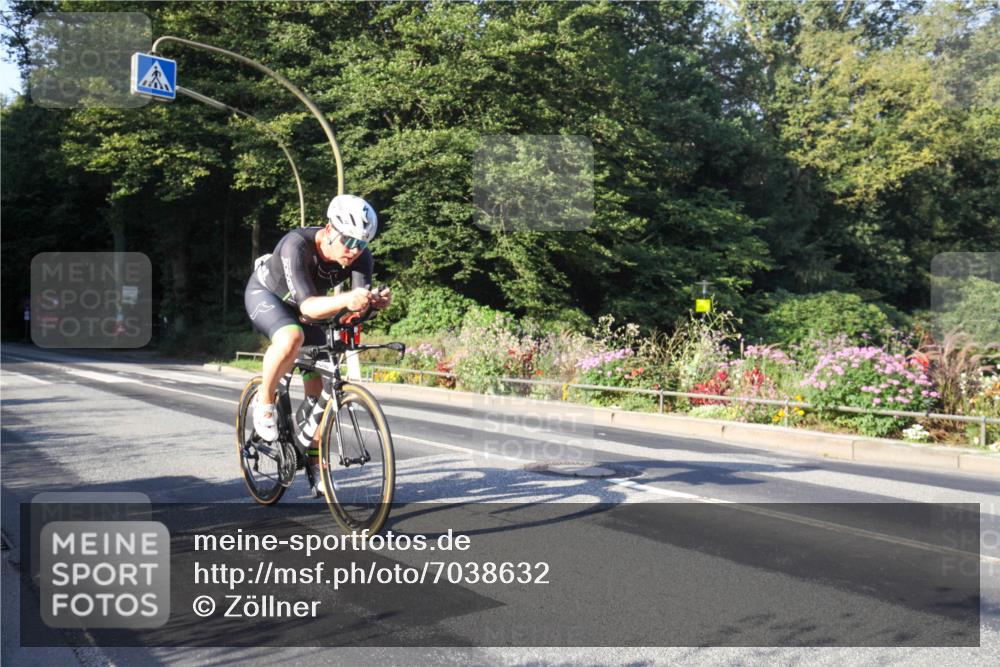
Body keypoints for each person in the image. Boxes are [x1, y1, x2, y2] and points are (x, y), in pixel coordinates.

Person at [244, 194, 391, 495]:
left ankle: (312, 457)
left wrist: (372, 304)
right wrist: (346, 299)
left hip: (308, 308)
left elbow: (354, 308)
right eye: (348, 241)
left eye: (361, 244)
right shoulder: (296, 245)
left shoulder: (361, 257)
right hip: (269, 297)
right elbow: (309, 307)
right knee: (291, 337)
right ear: (328, 230)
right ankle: (265, 400)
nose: (353, 251)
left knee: (321, 389)